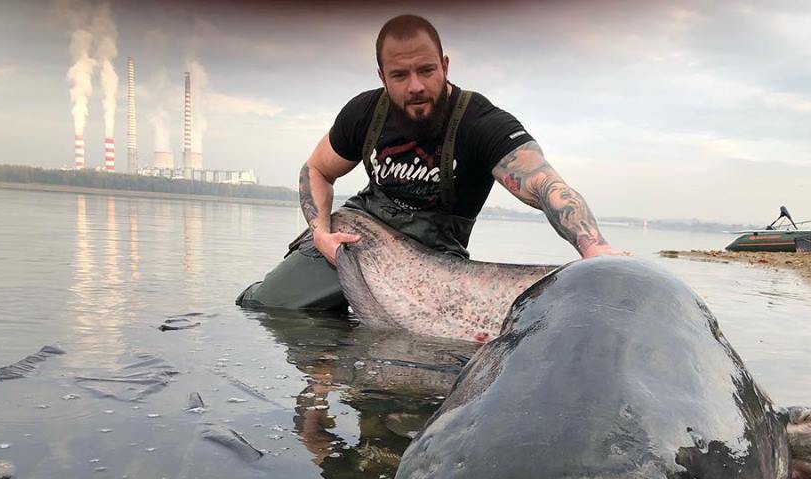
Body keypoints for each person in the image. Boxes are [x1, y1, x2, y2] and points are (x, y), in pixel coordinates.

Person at [237, 13, 621, 311]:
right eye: (400, 75)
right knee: (265, 306)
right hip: (353, 244)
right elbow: (316, 169)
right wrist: (320, 233)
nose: (416, 86)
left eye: (426, 70)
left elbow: (543, 184)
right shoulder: (364, 112)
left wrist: (594, 248)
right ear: (382, 76)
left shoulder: (481, 122)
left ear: (445, 65)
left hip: (433, 263)